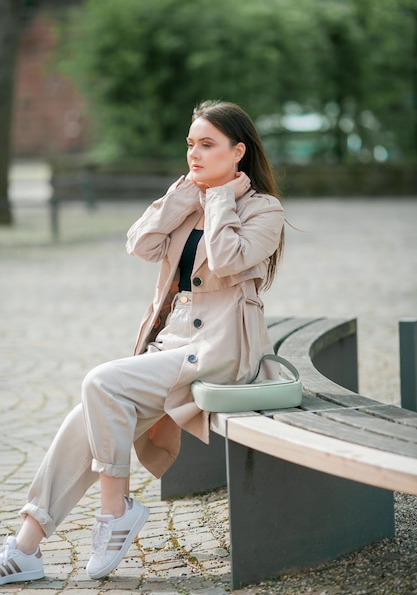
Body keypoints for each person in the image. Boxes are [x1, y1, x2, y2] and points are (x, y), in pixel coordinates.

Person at [0, 100, 285, 585]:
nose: (194, 153)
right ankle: (26, 546)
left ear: (238, 152)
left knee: (101, 384)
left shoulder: (264, 210)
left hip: (221, 352)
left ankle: (116, 512)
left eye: (208, 145)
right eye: (191, 143)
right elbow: (141, 244)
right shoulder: (190, 198)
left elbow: (227, 258)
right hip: (172, 342)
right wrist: (185, 194)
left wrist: (219, 201)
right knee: (87, 415)